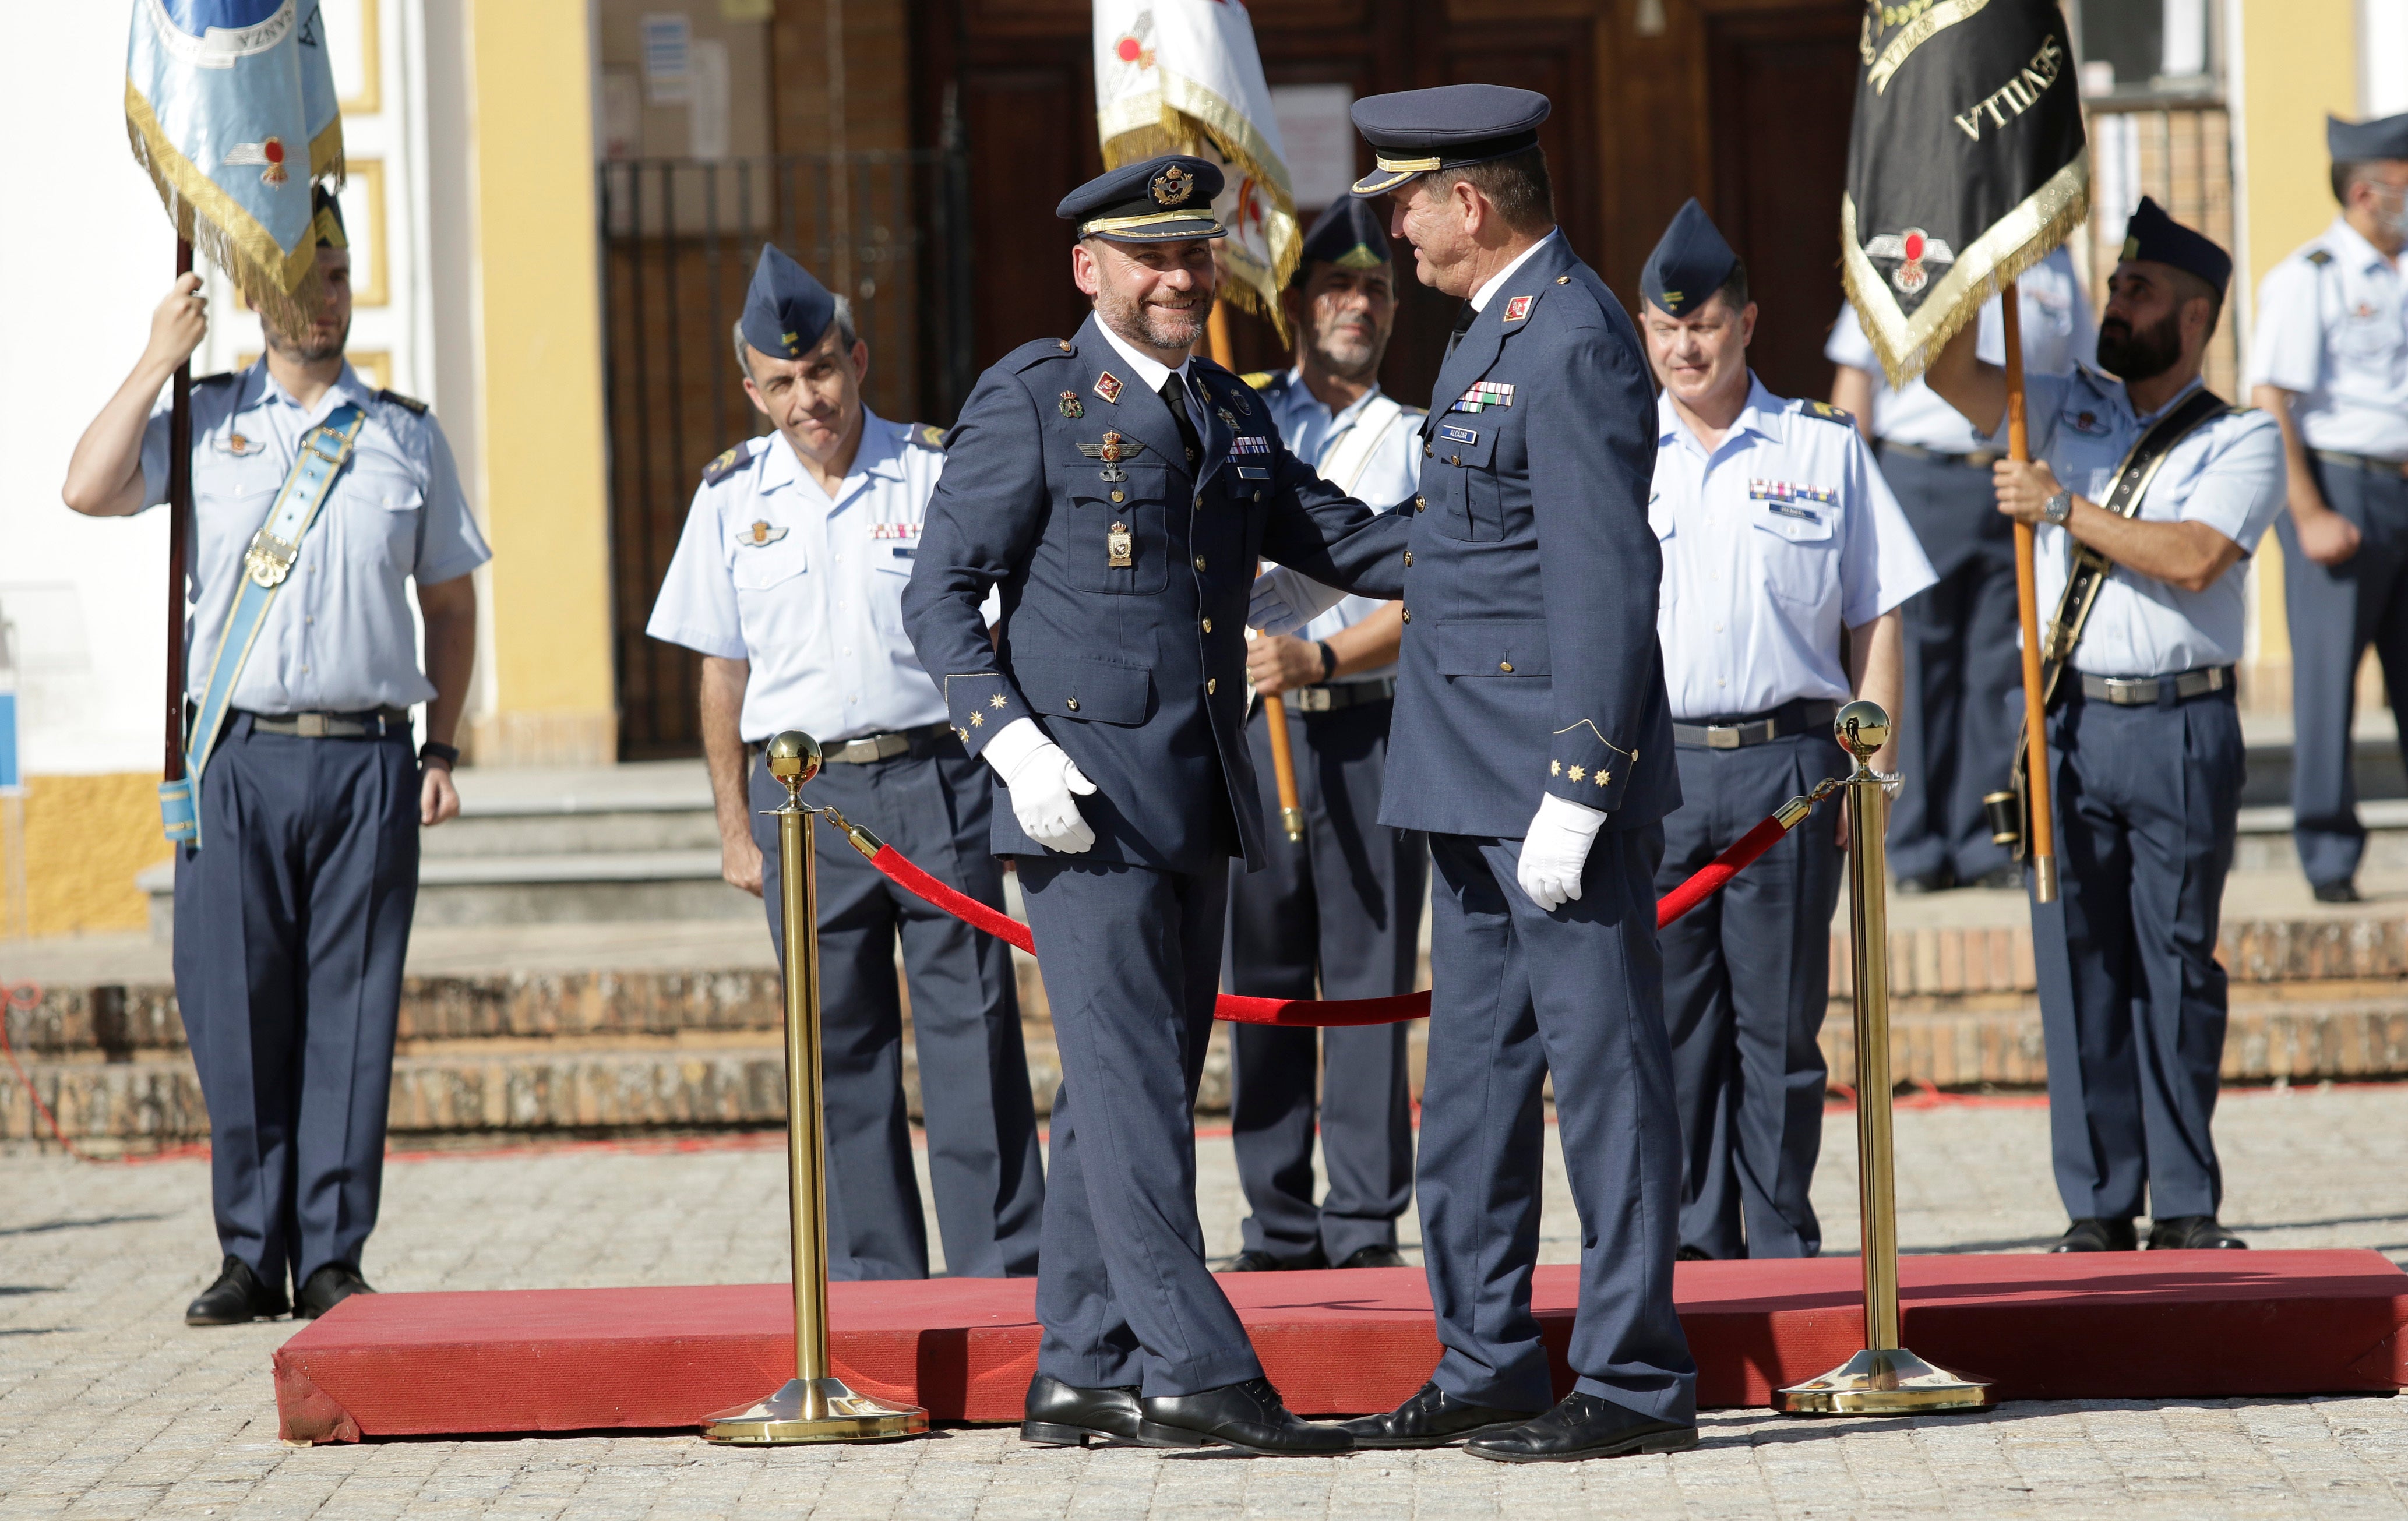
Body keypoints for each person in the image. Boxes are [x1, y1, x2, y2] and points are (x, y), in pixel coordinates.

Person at [901, 154, 1411, 1456]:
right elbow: (939, 596)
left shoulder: (1232, 411)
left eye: (1194, 252)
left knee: (1129, 1091)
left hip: (1198, 800)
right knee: (1132, 1098)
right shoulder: (1033, 398)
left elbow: (1349, 542)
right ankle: (1198, 1371)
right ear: (1090, 271)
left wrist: (1514, 514)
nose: (1180, 276)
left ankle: (1076, 1363)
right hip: (1080, 808)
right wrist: (1008, 748)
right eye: (1151, 257)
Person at [1271, 82, 1701, 1463]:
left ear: (1467, 200)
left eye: (1404, 200)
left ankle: (1635, 1381)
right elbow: (1450, 551)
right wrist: (1261, 491)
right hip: (1461, 778)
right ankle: (1487, 1358)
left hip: (1542, 785)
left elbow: (1603, 577)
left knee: (1608, 1082)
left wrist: (1583, 784)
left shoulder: (1570, 335)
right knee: (1466, 1094)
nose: (1391, 229)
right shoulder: (1488, 332)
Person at [61, 190, 487, 1324]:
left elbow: (450, 602)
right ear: (253, 295)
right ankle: (251, 1251)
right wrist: (158, 357)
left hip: (365, 762)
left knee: (353, 1006)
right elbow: (88, 487)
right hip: (236, 761)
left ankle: (334, 1251)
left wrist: (442, 740)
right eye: (301, 277)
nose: (324, 298)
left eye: (339, 274)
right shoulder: (206, 422)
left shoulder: (403, 432)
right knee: (235, 1007)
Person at [646, 245, 1044, 1282]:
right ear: (751, 387)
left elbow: (996, 641)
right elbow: (720, 674)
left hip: (937, 781)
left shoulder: (933, 470)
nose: (806, 398)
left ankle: (1000, 1276)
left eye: (819, 369)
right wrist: (733, 827)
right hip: (803, 801)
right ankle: (872, 1290)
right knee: (835, 1051)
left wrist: (1009, 786)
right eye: (779, 382)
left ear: (855, 359)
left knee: (972, 1034)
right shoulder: (731, 498)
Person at [1926, 198, 2284, 1254]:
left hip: (2178, 726)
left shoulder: (2241, 435)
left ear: (2194, 317)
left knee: (2174, 964)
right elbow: (1945, 374)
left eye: (2139, 291)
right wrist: (1961, 253)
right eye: (2115, 286)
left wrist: (2058, 508)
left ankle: (2183, 1202)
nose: (2114, 303)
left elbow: (2191, 557)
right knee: (2073, 955)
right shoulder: (2055, 407)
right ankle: (2094, 1202)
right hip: (2066, 720)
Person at [1638, 200, 1934, 1262]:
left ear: (1747, 322)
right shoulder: (1617, 450)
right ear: (1642, 333)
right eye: (1665, 328)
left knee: (1778, 1032)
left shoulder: (1822, 447)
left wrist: (1871, 771)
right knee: (1671, 1032)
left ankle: (1777, 1245)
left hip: (1789, 770)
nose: (1685, 345)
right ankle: (1686, 1246)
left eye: (1705, 324)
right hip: (1658, 771)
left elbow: (1877, 613)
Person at [1224, 196, 1423, 1276]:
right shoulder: (1245, 419)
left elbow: (1429, 593)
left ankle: (1359, 1224)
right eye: (1337, 288)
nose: (1355, 306)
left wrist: (1324, 655)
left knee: (1367, 987)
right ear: (1298, 303)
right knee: (1259, 979)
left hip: (1368, 731)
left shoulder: (1420, 436)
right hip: (1257, 737)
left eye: (1376, 290)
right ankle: (1276, 1220)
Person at [1827, 248, 2095, 892]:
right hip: (1917, 476)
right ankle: (1914, 844)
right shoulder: (1906, 255)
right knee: (1917, 663)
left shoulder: (2052, 264)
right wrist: (1846, 495)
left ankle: (1982, 842)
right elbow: (1854, 380)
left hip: (2010, 479)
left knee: (1992, 668)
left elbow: (2084, 372)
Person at [2250, 112, 2408, 903]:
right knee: (2325, 681)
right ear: (2364, 189)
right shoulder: (2308, 276)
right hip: (2340, 487)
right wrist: (2308, 510)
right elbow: (2270, 401)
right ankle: (2327, 852)